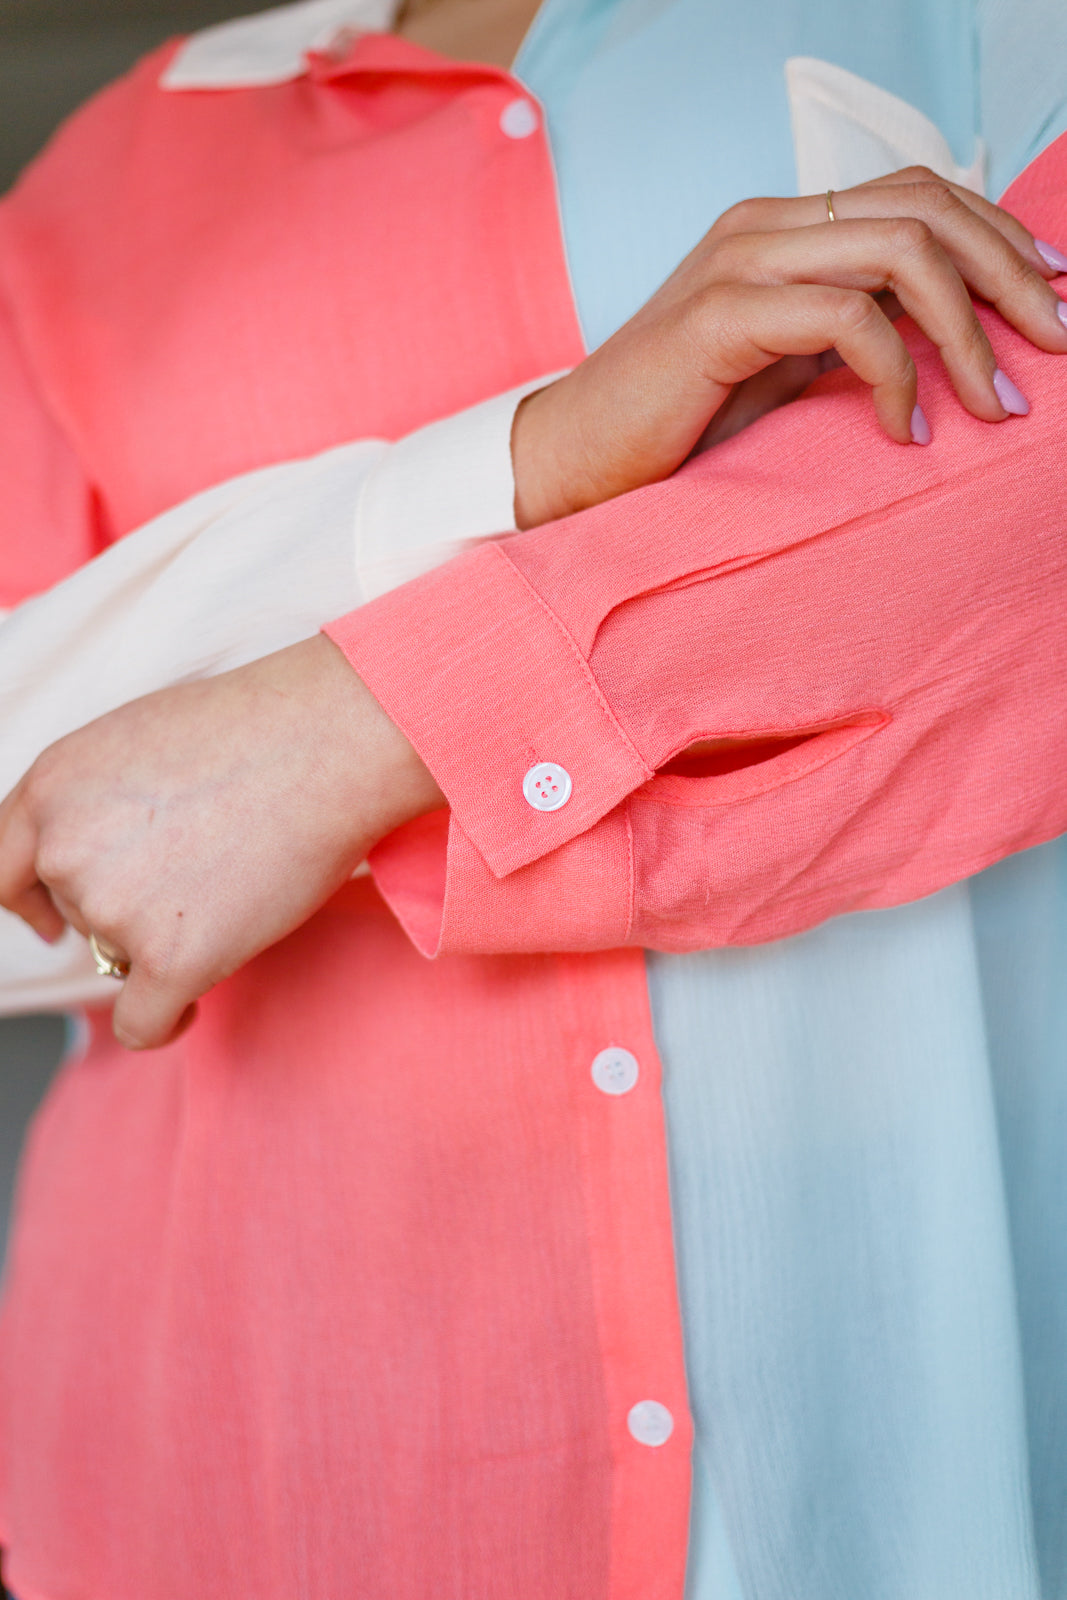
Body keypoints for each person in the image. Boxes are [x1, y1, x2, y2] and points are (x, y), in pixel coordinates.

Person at [0, 0, 1064, 1594]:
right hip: (254, 1457)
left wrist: (360, 727)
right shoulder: (94, 194)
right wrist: (528, 459)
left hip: (887, 1411)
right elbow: (37, 855)